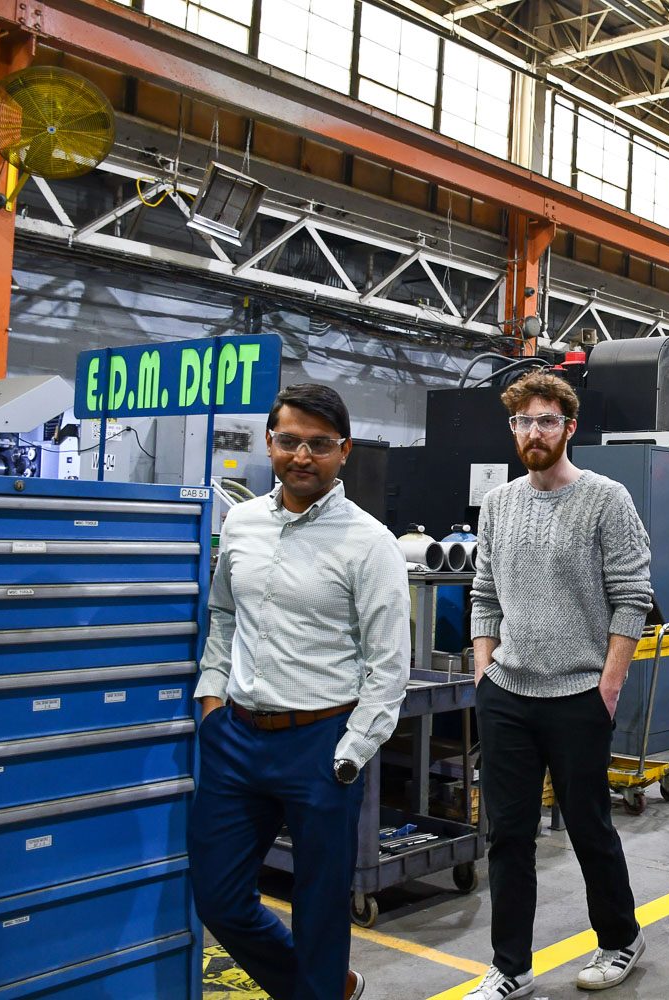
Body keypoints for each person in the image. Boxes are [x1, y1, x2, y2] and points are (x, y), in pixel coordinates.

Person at [189, 383, 410, 1000]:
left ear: (344, 452)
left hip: (322, 744)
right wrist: (211, 703)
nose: (302, 456)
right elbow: (224, 615)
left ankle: (318, 985)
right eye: (289, 441)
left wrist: (352, 750)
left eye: (319, 444)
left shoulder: (370, 543)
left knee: (318, 911)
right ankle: (325, 989)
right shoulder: (242, 522)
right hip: (235, 737)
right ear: (269, 443)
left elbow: (388, 663)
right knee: (218, 897)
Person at [467, 370, 654, 1000]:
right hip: (507, 695)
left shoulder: (607, 498)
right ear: (513, 429)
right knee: (509, 834)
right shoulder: (498, 503)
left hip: (578, 694)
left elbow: (633, 597)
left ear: (569, 428)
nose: (534, 432)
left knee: (587, 823)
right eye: (523, 421)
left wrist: (608, 684)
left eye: (547, 420)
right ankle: (510, 966)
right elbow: (484, 593)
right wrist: (484, 668)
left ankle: (621, 938)